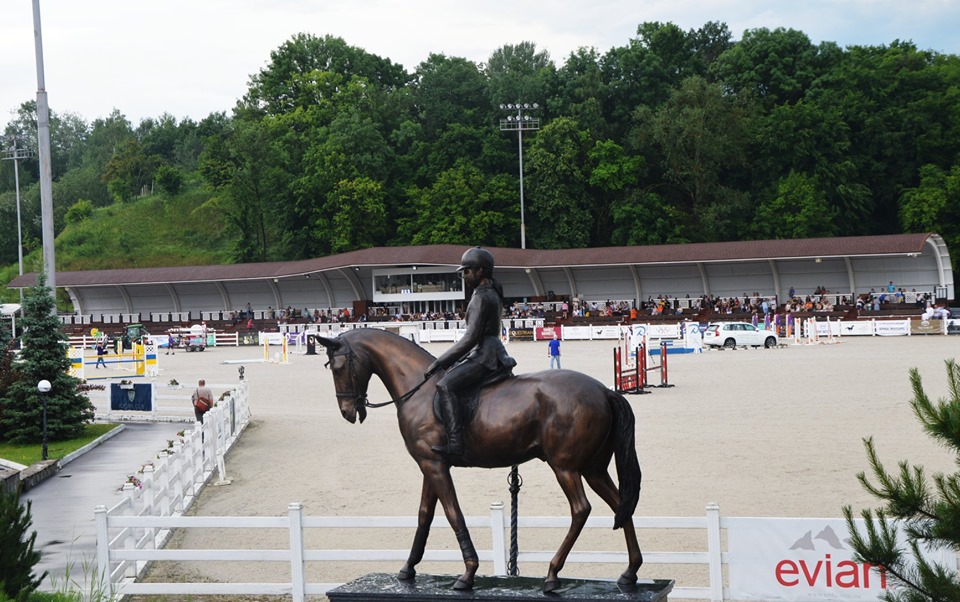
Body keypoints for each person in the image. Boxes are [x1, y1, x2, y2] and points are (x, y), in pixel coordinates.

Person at [424, 247, 517, 457]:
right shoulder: (492, 292)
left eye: (467, 271)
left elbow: (471, 338)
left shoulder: (481, 297)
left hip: (484, 355)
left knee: (445, 385)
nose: (464, 276)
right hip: (492, 351)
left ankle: (456, 442)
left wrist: (441, 362)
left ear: (480, 271)